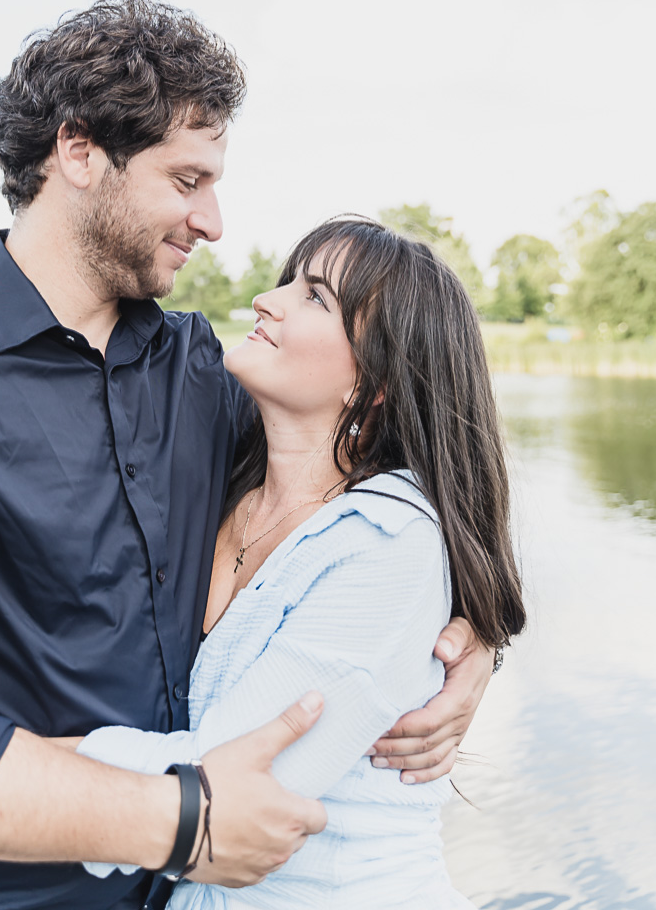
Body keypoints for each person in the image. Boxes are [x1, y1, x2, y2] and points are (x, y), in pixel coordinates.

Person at [0, 0, 496, 910]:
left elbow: (397, 481)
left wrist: (466, 642)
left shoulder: (210, 377)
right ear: (80, 153)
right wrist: (180, 821)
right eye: (187, 180)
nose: (215, 221)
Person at [74, 216, 526, 907]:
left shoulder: (388, 542)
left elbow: (219, 792)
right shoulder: (220, 485)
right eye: (289, 280)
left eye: (315, 296)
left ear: (376, 382)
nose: (268, 299)